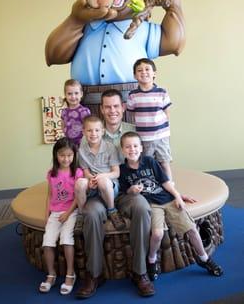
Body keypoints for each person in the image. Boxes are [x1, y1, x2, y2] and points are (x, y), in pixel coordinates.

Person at [45, 0, 185, 86]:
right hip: (86, 105)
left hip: (131, 102)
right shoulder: (84, 26)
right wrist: (75, 20)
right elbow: (53, 56)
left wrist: (174, 8)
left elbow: (174, 44)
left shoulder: (141, 28)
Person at [75, 90, 155, 298]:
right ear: (101, 109)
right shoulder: (93, 133)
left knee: (142, 207)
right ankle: (94, 273)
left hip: (128, 189)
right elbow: (83, 166)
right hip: (99, 193)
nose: (112, 111)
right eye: (107, 107)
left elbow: (151, 157)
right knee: (91, 215)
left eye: (116, 106)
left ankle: (140, 271)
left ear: (123, 107)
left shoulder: (133, 130)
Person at [119, 131, 223, 291]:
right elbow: (126, 193)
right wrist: (132, 190)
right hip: (152, 205)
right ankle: (152, 259)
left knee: (192, 229)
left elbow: (165, 182)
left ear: (141, 148)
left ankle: (204, 258)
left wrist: (178, 196)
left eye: (135, 146)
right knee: (157, 234)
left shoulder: (149, 161)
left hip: (167, 200)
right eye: (127, 147)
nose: (132, 149)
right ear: (122, 150)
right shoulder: (123, 170)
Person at [39, 137, 83, 295]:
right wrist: (47, 215)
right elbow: (49, 195)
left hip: (71, 211)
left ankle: (70, 274)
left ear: (74, 155)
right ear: (56, 155)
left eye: (69, 155)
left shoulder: (77, 172)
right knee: (48, 242)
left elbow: (78, 197)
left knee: (66, 239)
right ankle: (51, 274)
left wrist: (68, 213)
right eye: (62, 155)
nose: (66, 159)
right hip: (55, 213)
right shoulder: (52, 173)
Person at [75, 115, 125, 232]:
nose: (93, 134)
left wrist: (102, 176)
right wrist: (90, 179)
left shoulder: (110, 147)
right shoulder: (81, 151)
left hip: (109, 186)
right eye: (89, 130)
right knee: (80, 183)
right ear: (83, 132)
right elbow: (85, 171)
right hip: (92, 185)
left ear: (102, 131)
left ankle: (112, 210)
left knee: (103, 181)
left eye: (97, 130)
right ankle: (81, 214)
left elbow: (116, 173)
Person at [127, 57, 173, 180]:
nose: (144, 72)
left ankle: (170, 186)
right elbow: (132, 115)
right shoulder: (133, 95)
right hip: (143, 138)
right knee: (147, 164)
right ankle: (152, 186)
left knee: (164, 162)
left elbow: (167, 113)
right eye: (139, 70)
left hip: (161, 136)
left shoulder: (161, 92)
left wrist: (161, 129)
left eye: (147, 69)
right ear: (135, 75)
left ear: (154, 73)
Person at [61, 79, 91, 146]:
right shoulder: (64, 112)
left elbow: (89, 127)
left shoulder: (84, 111)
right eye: (69, 94)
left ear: (81, 94)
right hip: (69, 144)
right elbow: (63, 125)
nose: (73, 96)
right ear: (65, 95)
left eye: (76, 93)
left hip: (82, 144)